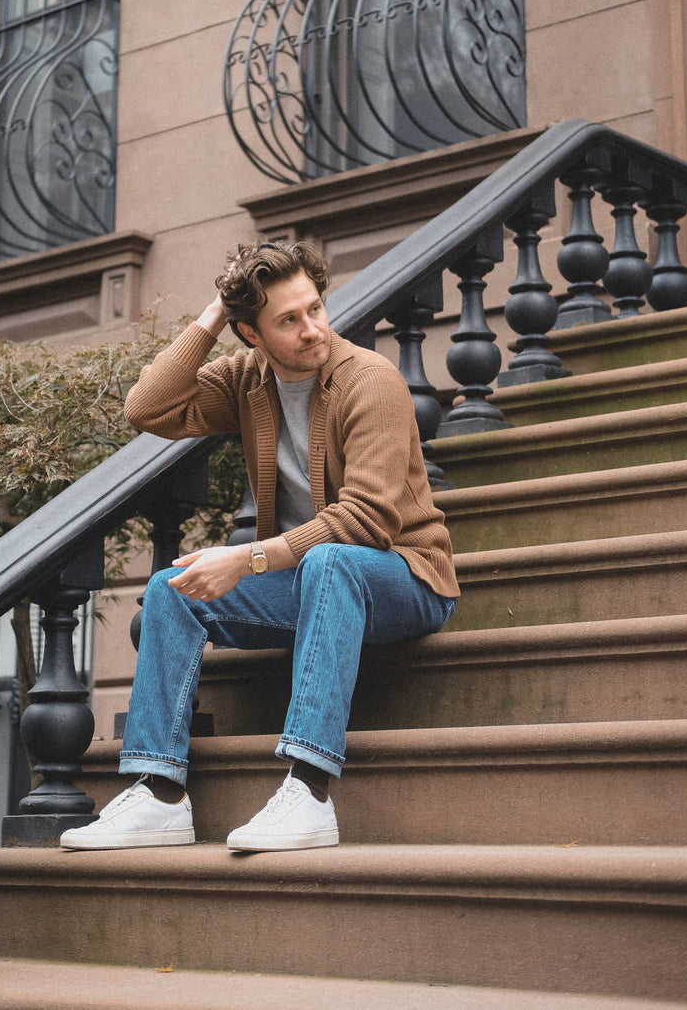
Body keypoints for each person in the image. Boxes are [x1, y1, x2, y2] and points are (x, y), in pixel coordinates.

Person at [60, 240, 458, 853]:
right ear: (252, 333)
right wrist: (213, 316)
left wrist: (247, 558)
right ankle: (158, 794)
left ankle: (309, 791)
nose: (312, 329)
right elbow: (147, 407)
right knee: (171, 589)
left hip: (405, 578)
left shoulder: (369, 380)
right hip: (314, 580)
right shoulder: (247, 380)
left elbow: (368, 519)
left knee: (330, 562)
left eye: (315, 308)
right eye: (288, 320)